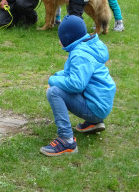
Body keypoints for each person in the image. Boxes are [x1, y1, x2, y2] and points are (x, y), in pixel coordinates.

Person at [40, 15, 116, 156]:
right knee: (63, 84)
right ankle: (95, 122)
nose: (59, 41)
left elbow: (76, 84)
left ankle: (66, 140)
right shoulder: (88, 46)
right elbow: (74, 73)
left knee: (54, 92)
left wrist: (52, 80)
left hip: (96, 108)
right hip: (102, 104)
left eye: (60, 37)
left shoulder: (79, 54)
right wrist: (58, 76)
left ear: (68, 37)